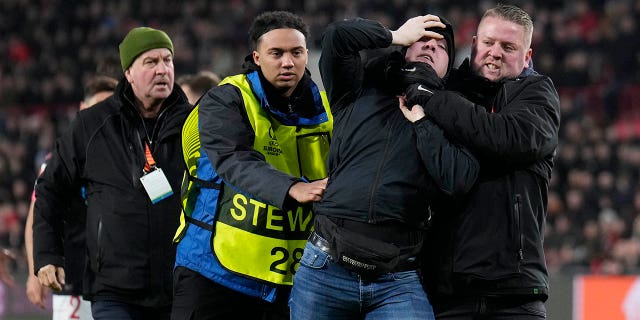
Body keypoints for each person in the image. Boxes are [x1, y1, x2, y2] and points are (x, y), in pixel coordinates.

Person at [288, 14, 479, 319]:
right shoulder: (358, 88)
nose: (430, 46)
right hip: (326, 266)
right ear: (405, 49)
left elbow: (458, 179)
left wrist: (423, 122)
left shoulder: (455, 114)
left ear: (448, 68)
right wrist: (394, 35)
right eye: (422, 40)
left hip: (397, 279)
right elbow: (338, 36)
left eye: (441, 46)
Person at [170, 11, 332, 320]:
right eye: (277, 53)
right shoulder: (225, 100)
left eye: (296, 52)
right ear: (257, 57)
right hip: (214, 272)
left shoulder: (327, 108)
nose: (288, 62)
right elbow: (232, 159)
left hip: (290, 281)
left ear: (307, 55)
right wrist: (292, 187)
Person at [404, 4, 560, 319]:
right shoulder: (447, 85)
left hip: (514, 294)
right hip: (447, 293)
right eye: (488, 43)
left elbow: (503, 137)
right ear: (473, 44)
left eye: (508, 47)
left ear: (526, 57)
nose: (495, 52)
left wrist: (432, 100)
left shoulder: (537, 95)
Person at [33, 26, 191, 320]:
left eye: (167, 60)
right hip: (114, 290)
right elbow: (50, 189)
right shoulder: (91, 125)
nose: (162, 70)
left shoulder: (195, 124)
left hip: (180, 286)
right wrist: (46, 254)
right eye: (151, 62)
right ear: (128, 73)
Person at [25, 75, 117, 317]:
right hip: (74, 282)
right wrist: (35, 269)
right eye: (99, 107)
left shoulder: (128, 158)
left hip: (120, 283)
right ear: (83, 109)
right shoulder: (63, 158)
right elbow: (39, 213)